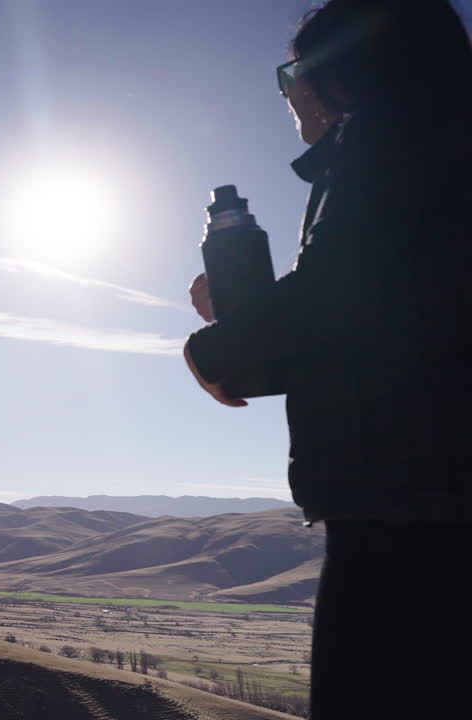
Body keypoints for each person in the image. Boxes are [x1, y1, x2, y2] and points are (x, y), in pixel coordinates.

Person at [183, 1, 472, 717]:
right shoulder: (438, 152)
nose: (288, 97)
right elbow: (382, 331)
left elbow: (330, 297)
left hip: (408, 511)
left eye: (292, 76)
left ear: (340, 74)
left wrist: (211, 348)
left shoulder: (393, 137)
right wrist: (245, 325)